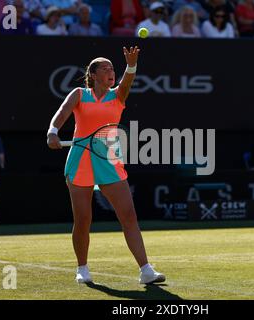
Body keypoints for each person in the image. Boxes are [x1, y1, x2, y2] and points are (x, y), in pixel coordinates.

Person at [46, 47, 166, 284]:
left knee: (128, 215)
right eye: (105, 68)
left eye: (113, 68)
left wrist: (131, 65)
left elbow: (127, 80)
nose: (111, 71)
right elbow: (62, 112)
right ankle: (82, 268)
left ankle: (146, 270)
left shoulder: (118, 95)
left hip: (109, 159)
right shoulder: (79, 94)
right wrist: (52, 132)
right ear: (93, 74)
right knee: (83, 219)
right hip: (80, 159)